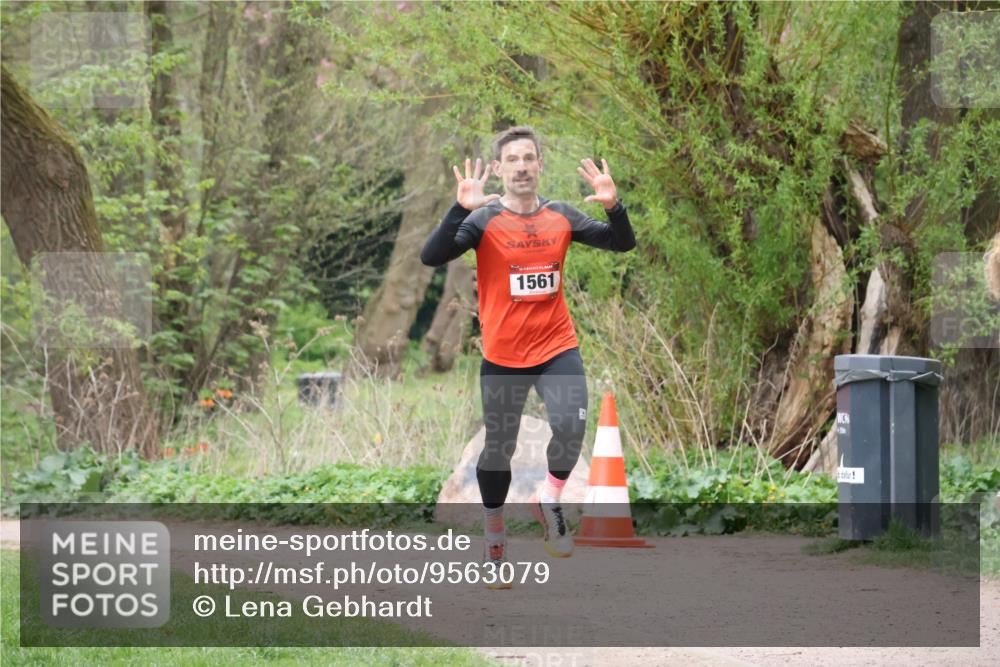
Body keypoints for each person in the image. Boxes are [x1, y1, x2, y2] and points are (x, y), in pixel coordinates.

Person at [420, 126, 636, 587]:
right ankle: (495, 536)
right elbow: (431, 256)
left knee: (572, 425)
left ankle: (549, 498)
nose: (521, 166)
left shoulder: (561, 216)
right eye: (512, 160)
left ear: (540, 166)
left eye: (529, 158)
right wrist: (461, 206)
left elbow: (622, 243)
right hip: (503, 357)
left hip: (557, 347)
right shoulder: (483, 221)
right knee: (499, 450)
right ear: (498, 169)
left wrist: (614, 206)